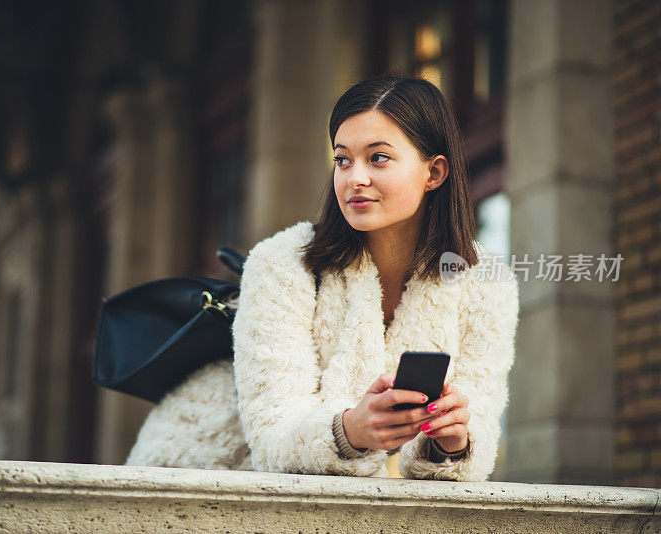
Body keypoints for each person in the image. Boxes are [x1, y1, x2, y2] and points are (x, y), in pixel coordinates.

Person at [125, 75, 519, 482]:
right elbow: (272, 433)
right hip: (198, 476)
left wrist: (453, 442)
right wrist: (350, 431)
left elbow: (481, 425)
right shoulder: (282, 262)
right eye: (342, 159)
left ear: (434, 173)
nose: (354, 178)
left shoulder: (486, 283)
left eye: (378, 158)